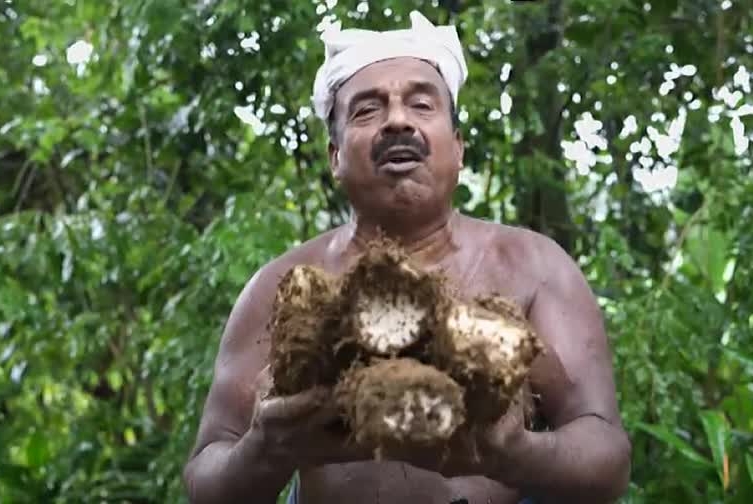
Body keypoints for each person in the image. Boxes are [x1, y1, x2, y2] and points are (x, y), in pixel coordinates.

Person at [183, 10, 630, 504]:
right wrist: (265, 449)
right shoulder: (282, 286)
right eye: (367, 110)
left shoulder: (534, 267)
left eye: (421, 104)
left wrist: (509, 452)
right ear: (335, 155)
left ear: (458, 147)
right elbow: (206, 476)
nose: (397, 119)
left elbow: (606, 457)